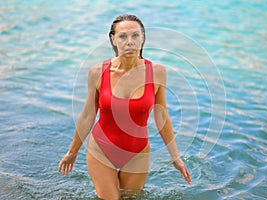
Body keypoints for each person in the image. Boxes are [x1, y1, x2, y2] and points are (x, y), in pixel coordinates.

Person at [58, 14, 191, 199]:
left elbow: (162, 116)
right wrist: (72, 152)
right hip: (101, 150)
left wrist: (175, 157)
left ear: (143, 38)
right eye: (123, 36)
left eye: (135, 35)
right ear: (113, 39)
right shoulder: (98, 72)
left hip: (138, 153)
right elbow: (88, 115)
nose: (130, 42)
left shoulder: (157, 72)